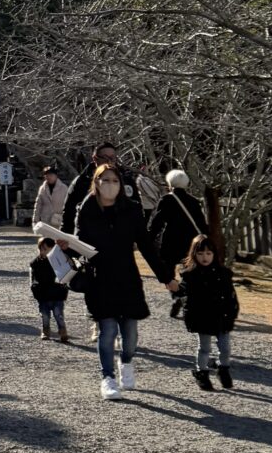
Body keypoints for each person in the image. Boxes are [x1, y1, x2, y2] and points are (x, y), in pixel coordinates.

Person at [72, 162, 176, 399]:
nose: (110, 185)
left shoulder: (131, 210)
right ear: (96, 183)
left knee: (130, 333)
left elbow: (147, 247)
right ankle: (107, 377)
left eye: (115, 180)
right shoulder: (86, 210)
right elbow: (79, 244)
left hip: (127, 276)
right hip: (99, 278)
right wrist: (67, 247)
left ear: (121, 185)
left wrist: (166, 277)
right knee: (106, 330)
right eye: (104, 180)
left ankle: (126, 362)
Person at [171, 234, 240, 390]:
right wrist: (175, 287)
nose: (205, 257)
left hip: (222, 315)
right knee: (205, 347)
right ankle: (201, 372)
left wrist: (232, 313)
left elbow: (231, 296)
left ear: (214, 255)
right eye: (201, 253)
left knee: (225, 347)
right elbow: (183, 293)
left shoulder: (223, 273)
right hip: (201, 316)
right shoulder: (190, 275)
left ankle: (223, 369)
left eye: (208, 253)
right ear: (194, 254)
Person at [148, 167, 210, 269]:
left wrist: (149, 239)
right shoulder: (193, 201)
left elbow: (157, 222)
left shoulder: (166, 200)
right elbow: (201, 222)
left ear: (170, 183)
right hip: (191, 240)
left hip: (171, 240)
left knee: (169, 271)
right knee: (190, 270)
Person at [62, 142, 132, 231]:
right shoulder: (82, 182)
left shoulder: (126, 180)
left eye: (113, 158)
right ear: (95, 159)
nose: (109, 161)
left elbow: (136, 212)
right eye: (105, 158)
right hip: (89, 236)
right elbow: (68, 214)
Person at [30, 236, 70, 342]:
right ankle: (45, 330)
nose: (42, 252)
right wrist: (35, 290)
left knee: (59, 314)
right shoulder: (35, 263)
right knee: (45, 315)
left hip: (57, 293)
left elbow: (65, 276)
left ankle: (62, 331)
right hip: (43, 294)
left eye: (45, 249)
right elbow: (33, 279)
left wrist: (63, 289)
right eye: (41, 249)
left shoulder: (59, 260)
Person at [33, 162, 68, 232]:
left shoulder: (64, 188)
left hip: (58, 221)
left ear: (56, 176)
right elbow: (38, 205)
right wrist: (35, 221)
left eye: (51, 175)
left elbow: (68, 205)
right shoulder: (42, 188)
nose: (49, 177)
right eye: (46, 175)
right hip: (45, 221)